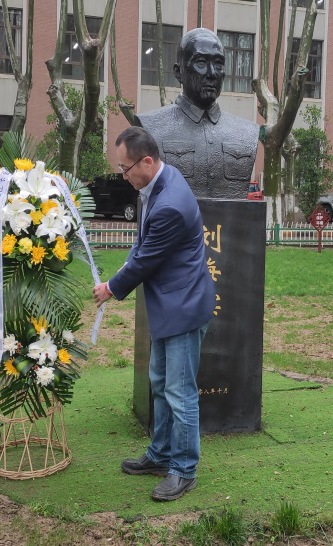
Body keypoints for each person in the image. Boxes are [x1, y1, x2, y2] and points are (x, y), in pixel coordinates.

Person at [93, 126, 215, 501]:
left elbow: (146, 259)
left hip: (183, 309)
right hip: (170, 304)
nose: (122, 176)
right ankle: (161, 455)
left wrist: (111, 288)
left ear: (147, 161)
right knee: (160, 383)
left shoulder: (170, 205)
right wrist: (122, 271)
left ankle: (184, 470)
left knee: (179, 393)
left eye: (125, 168)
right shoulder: (159, 181)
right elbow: (144, 244)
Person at [136, 28, 258, 200]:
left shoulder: (247, 132)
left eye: (218, 64)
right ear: (178, 72)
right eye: (201, 62)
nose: (212, 73)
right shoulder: (150, 127)